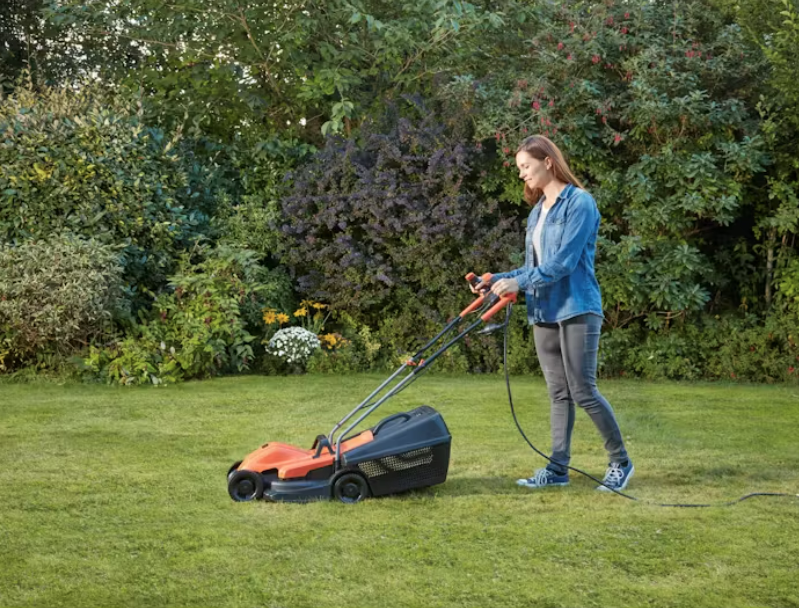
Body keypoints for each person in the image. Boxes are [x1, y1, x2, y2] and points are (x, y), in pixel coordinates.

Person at [475, 135, 633, 492]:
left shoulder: (580, 204)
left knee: (583, 390)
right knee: (558, 393)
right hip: (543, 308)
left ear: (547, 161)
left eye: (525, 167)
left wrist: (519, 283)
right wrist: (495, 280)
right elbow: (534, 265)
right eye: (519, 169)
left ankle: (620, 461)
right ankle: (558, 468)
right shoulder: (537, 213)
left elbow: (563, 263)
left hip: (577, 306)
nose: (522, 175)